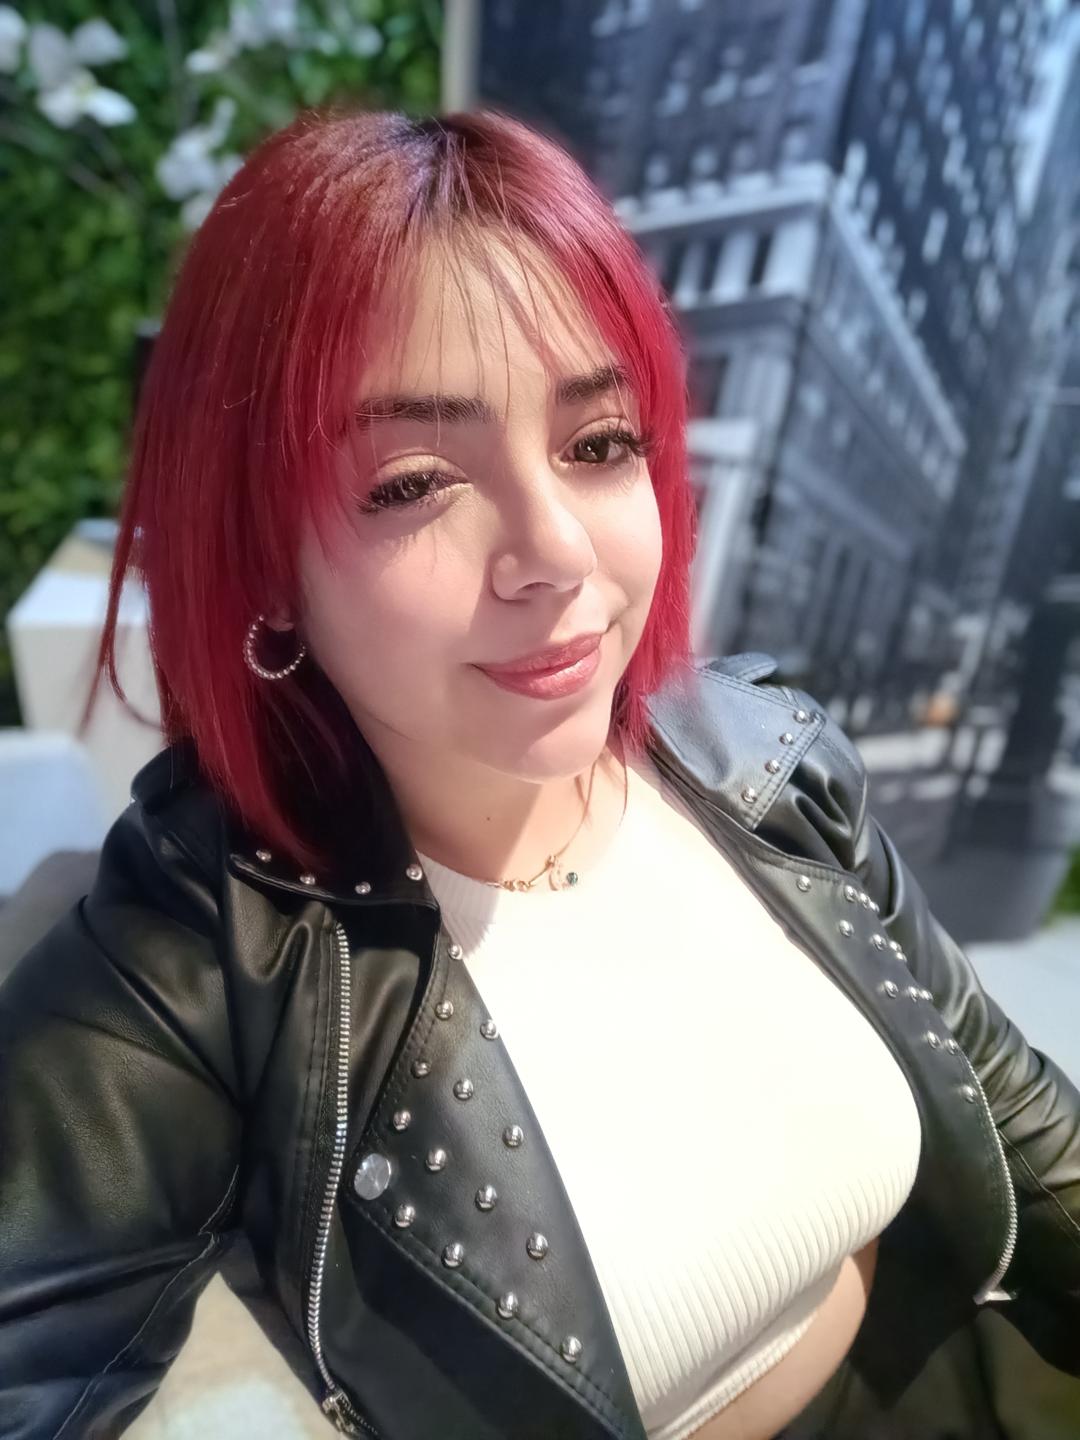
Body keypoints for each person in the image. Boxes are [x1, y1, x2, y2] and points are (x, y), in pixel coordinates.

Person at [1, 105, 1078, 1440]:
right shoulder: (198, 954)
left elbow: (1020, 1116)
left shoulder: (766, 761)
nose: (557, 550)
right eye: (412, 482)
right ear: (265, 557)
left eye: (598, 444)